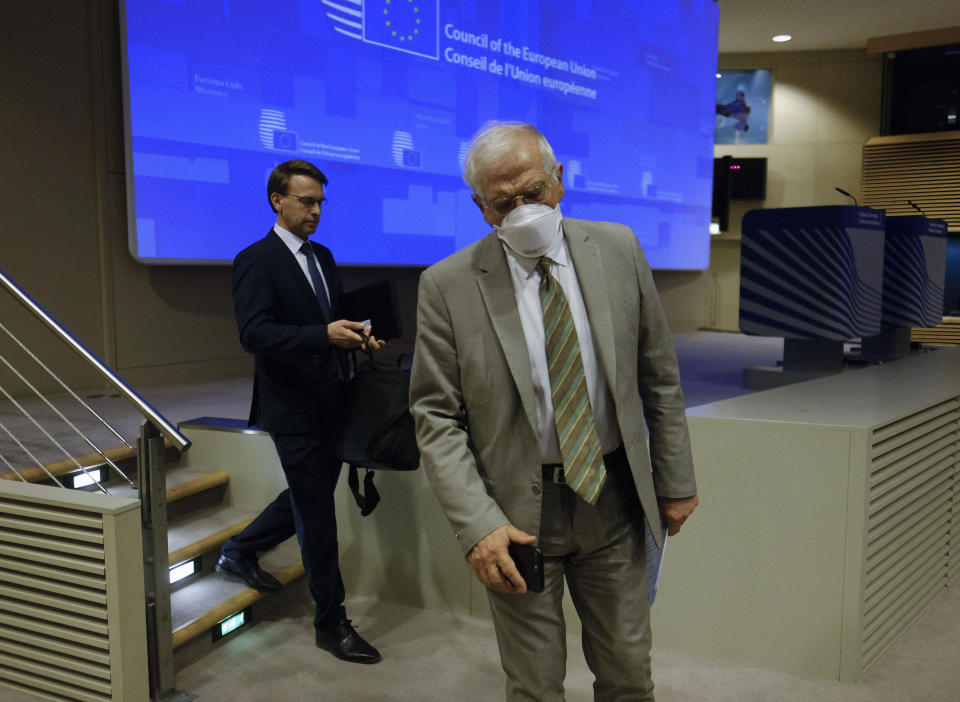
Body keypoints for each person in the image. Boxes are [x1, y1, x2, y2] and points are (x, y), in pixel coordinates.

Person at [409, 122, 699, 700]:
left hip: (612, 500)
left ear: (559, 182)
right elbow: (435, 418)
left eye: (533, 192)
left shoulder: (618, 249)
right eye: (503, 202)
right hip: (515, 517)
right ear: (482, 209)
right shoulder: (447, 286)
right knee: (535, 685)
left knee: (627, 673)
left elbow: (658, 378)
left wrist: (676, 479)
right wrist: (477, 525)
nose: (522, 210)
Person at [217, 159, 385, 664]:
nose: (316, 211)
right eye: (306, 202)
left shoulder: (324, 256)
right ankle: (331, 622)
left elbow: (325, 322)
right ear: (278, 201)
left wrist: (356, 337)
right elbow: (255, 335)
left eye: (320, 203)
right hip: (291, 407)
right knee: (316, 510)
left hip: (333, 397)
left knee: (308, 493)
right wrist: (321, 335)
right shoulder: (256, 259)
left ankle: (240, 549)